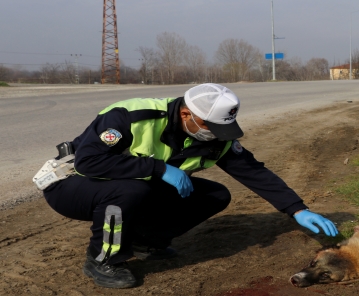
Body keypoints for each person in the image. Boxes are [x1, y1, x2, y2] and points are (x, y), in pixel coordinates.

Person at [41, 83, 338, 289]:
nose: (218, 136)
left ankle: (145, 241)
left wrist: (297, 209)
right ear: (186, 114)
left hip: (131, 188)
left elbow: (252, 172)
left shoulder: (213, 138)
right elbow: (88, 162)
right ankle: (101, 259)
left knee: (214, 194)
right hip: (72, 186)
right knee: (131, 191)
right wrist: (159, 168)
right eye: (212, 127)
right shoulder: (132, 117)